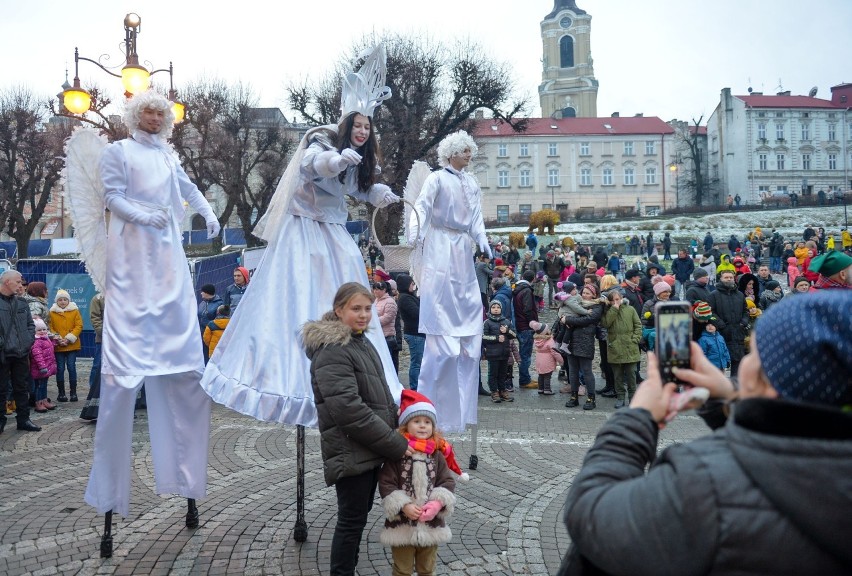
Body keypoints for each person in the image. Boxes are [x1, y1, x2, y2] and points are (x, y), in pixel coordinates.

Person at [559, 290, 852, 576]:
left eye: (754, 352)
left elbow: (593, 516)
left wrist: (636, 419)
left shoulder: (704, 483)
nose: (745, 362)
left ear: (769, 379)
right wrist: (730, 400)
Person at [200, 45, 402, 429]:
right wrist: (336, 161)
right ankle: (287, 376)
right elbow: (312, 167)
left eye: (367, 127)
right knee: (294, 294)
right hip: (304, 229)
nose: (362, 132)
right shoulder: (323, 139)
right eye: (357, 125)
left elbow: (361, 190)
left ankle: (356, 375)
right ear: (346, 123)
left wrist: (379, 192)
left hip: (334, 233)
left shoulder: (359, 155)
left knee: (345, 288)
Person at [83, 90, 219, 528]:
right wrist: (143, 215)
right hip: (133, 261)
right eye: (148, 110)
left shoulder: (167, 156)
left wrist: (205, 211)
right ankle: (109, 494)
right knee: (123, 374)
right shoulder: (119, 151)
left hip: (167, 259)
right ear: (134, 114)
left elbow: (187, 187)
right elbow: (113, 197)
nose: (155, 118)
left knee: (182, 370)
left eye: (161, 112)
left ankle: (187, 481)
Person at [301, 282, 410, 576]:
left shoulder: (359, 341)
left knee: (357, 518)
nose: (363, 315)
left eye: (367, 308)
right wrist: (395, 443)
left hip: (370, 446)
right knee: (350, 520)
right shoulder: (333, 350)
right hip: (352, 449)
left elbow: (378, 396)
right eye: (355, 309)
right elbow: (350, 411)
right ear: (339, 311)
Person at [407, 130, 489, 434]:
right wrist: (414, 235)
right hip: (441, 244)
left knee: (466, 301)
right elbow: (422, 207)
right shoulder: (437, 179)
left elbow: (476, 216)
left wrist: (480, 237)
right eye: (464, 151)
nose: (469, 155)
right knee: (441, 299)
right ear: (451, 153)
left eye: (471, 151)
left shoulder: (471, 182)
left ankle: (461, 407)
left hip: (462, 248)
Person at [378, 389, 461, 576]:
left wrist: (437, 503)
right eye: (416, 421)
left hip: (431, 525)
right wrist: (403, 505)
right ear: (406, 427)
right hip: (402, 526)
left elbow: (447, 482)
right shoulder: (397, 455)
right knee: (402, 569)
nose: (423, 426)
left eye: (427, 422)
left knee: (427, 568)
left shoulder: (436, 454)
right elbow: (386, 483)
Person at [0, 270, 40, 433]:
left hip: (21, 353)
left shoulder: (22, 303)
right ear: (7, 282)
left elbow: (31, 325)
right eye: (18, 282)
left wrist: (28, 341)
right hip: (2, 354)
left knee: (22, 388)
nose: (21, 285)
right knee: (1, 389)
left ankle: (24, 419)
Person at [563, 284, 603, 411]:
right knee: (573, 370)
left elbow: (588, 319)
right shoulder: (577, 302)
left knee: (586, 371)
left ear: (594, 295)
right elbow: (564, 312)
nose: (584, 295)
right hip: (571, 340)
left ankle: (591, 397)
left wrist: (568, 320)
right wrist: (563, 319)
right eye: (583, 292)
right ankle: (574, 395)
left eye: (588, 293)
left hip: (585, 341)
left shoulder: (597, 306)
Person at [602, 289, 642, 409]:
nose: (616, 302)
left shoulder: (630, 310)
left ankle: (633, 398)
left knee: (631, 375)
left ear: (621, 298)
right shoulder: (608, 311)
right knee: (618, 376)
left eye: (617, 299)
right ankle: (620, 397)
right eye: (613, 300)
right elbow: (606, 324)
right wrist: (614, 309)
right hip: (615, 347)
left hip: (630, 346)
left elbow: (638, 325)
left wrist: (634, 339)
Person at [707, 270, 749, 376]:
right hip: (722, 333)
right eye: (726, 277)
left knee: (738, 362)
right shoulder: (714, 295)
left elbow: (746, 311)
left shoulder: (739, 294)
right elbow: (710, 312)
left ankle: (737, 386)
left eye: (730, 277)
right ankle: (724, 386)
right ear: (721, 279)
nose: (729, 279)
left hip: (738, 332)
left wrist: (743, 322)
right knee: (724, 362)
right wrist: (720, 325)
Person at [48, 289, 83, 403]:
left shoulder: (74, 311)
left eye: (65, 299)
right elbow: (50, 327)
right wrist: (57, 338)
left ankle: (73, 393)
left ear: (68, 300)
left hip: (71, 345)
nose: (62, 302)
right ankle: (61, 393)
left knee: (71, 367)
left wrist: (68, 339)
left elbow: (78, 326)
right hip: (58, 346)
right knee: (60, 368)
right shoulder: (52, 312)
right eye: (60, 300)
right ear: (56, 301)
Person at [481, 300, 516, 403]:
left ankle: (502, 390)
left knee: (503, 373)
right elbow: (484, 337)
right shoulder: (487, 322)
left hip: (504, 353)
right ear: (490, 309)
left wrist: (507, 331)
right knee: (493, 373)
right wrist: (496, 338)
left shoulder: (506, 322)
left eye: (498, 307)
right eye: (493, 307)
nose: (496, 309)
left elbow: (514, 335)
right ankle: (494, 391)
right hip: (493, 354)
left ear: (501, 309)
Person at [396, 274, 424, 390]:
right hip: (414, 333)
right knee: (416, 362)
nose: (413, 286)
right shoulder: (405, 298)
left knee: (418, 361)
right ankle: (415, 387)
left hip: (416, 333)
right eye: (412, 284)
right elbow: (417, 313)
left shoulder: (409, 296)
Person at [512, 270, 539, 390]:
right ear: (533, 279)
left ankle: (525, 377)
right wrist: (532, 323)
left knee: (524, 353)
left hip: (519, 324)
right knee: (525, 355)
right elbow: (527, 309)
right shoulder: (527, 290)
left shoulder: (517, 288)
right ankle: (524, 380)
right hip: (525, 326)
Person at [80, 293, 103, 421]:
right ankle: (93, 392)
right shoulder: (98, 299)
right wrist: (105, 332)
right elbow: (95, 318)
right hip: (104, 339)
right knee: (97, 365)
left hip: (123, 341)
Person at [29, 319, 57, 414]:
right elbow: (38, 356)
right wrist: (42, 367)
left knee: (44, 385)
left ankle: (44, 400)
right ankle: (38, 402)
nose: (42, 331)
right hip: (40, 369)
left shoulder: (46, 338)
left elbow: (49, 350)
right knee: (39, 386)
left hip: (46, 368)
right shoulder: (36, 341)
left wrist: (54, 342)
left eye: (44, 329)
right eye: (39, 330)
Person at [529, 320, 562, 396]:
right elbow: (554, 352)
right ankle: (547, 389)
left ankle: (540, 389)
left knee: (541, 375)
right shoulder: (549, 340)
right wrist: (561, 360)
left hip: (539, 360)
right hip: (548, 360)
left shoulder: (537, 339)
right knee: (547, 376)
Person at [373, 281, 400, 373]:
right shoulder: (375, 301)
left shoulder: (390, 302)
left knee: (389, 363)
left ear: (384, 290)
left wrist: (373, 322)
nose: (375, 292)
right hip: (378, 336)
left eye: (377, 289)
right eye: (374, 289)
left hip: (387, 336)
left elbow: (387, 317)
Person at [197, 284, 223, 363]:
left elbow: (220, 320)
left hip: (213, 335)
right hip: (202, 333)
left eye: (203, 292)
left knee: (213, 355)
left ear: (207, 292)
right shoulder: (202, 304)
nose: (201, 293)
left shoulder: (219, 304)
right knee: (204, 354)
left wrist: (211, 327)